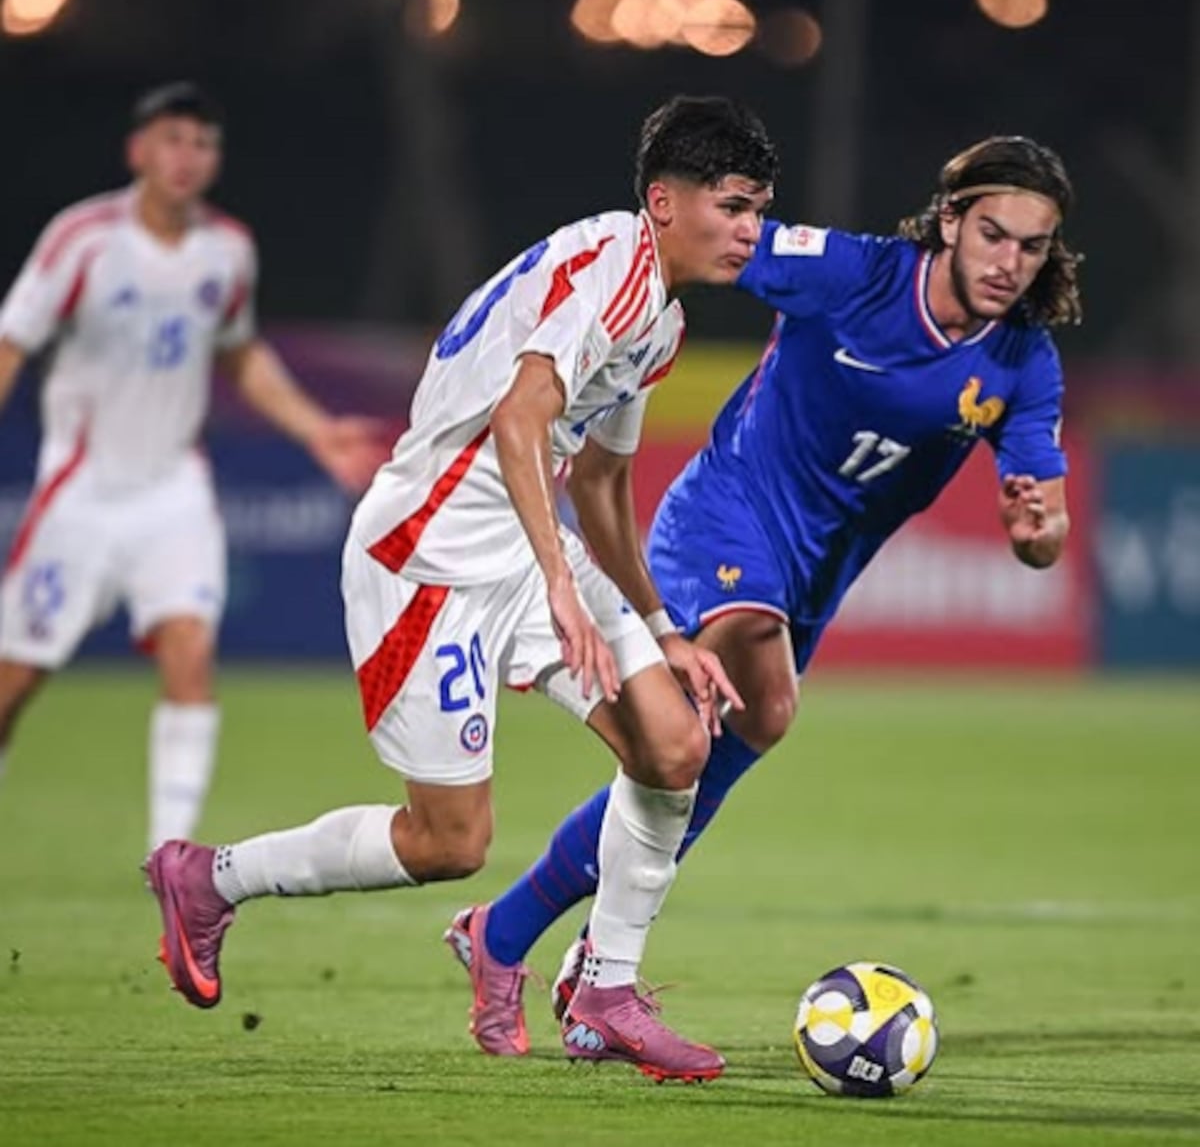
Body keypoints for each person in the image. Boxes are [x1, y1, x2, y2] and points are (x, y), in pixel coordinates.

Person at [144, 95, 779, 1083]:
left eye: (758, 210)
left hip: (526, 550)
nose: (750, 230)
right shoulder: (614, 269)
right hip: (426, 563)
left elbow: (604, 483)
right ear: (664, 200)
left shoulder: (659, 318)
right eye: (733, 205)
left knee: (675, 741)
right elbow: (522, 423)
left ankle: (608, 992)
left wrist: (658, 623)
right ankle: (210, 878)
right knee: (450, 842)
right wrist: (567, 596)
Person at [446, 135, 1082, 1054]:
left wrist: (1038, 531)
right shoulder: (856, 274)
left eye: (1031, 247)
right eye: (992, 234)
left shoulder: (1025, 363)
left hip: (819, 573)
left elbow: (1043, 531)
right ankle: (593, 966)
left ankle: (510, 935)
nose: (1008, 262)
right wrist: (603, 307)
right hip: (726, 515)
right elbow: (722, 246)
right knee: (751, 689)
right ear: (950, 221)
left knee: (708, 749)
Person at [0, 82, 386, 851]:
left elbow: (240, 356)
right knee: (15, 681)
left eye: (203, 144)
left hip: (174, 489)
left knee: (190, 654)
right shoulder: (83, 241)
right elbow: (13, 342)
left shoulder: (227, 250)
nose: (188, 157)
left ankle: (168, 858)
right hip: (82, 490)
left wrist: (317, 432)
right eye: (173, 140)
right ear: (138, 150)